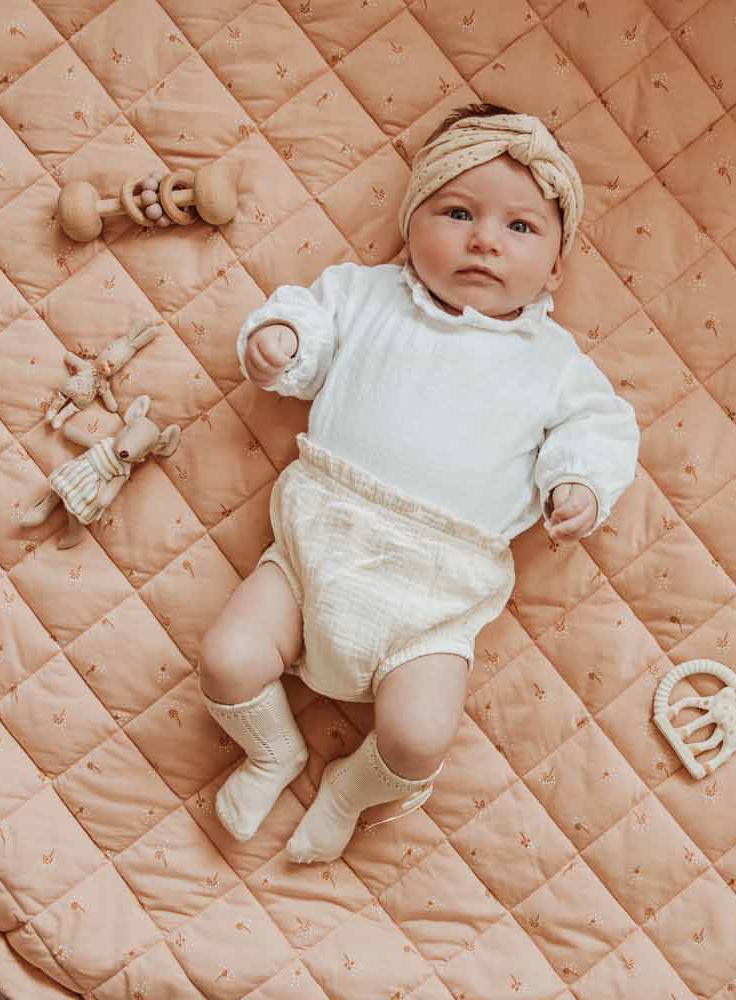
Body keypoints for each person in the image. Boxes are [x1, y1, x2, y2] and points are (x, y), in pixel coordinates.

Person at [199, 103, 639, 863]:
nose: (483, 240)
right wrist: (282, 343)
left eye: (521, 228)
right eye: (458, 212)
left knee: (418, 734)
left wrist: (581, 484)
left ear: (557, 267)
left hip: (437, 592)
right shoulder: (366, 295)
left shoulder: (555, 363)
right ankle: (272, 750)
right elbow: (309, 320)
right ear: (409, 225)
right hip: (319, 545)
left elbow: (601, 428)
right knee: (229, 658)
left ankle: (351, 788)